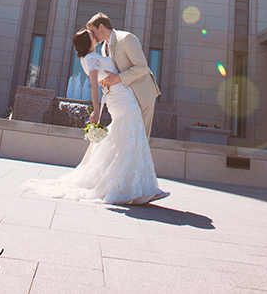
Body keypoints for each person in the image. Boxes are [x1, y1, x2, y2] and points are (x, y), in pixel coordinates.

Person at [21, 26, 169, 205]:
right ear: (88, 42)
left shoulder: (94, 56)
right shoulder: (90, 59)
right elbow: (93, 85)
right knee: (133, 135)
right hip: (121, 100)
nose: (95, 36)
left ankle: (139, 187)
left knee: (127, 137)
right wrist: (97, 111)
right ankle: (140, 188)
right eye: (92, 36)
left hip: (122, 97)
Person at [87, 12, 160, 139]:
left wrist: (118, 78)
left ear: (101, 27)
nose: (92, 35)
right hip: (127, 100)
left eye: (93, 31)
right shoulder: (104, 48)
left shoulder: (126, 38)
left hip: (142, 96)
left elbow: (142, 67)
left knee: (140, 140)